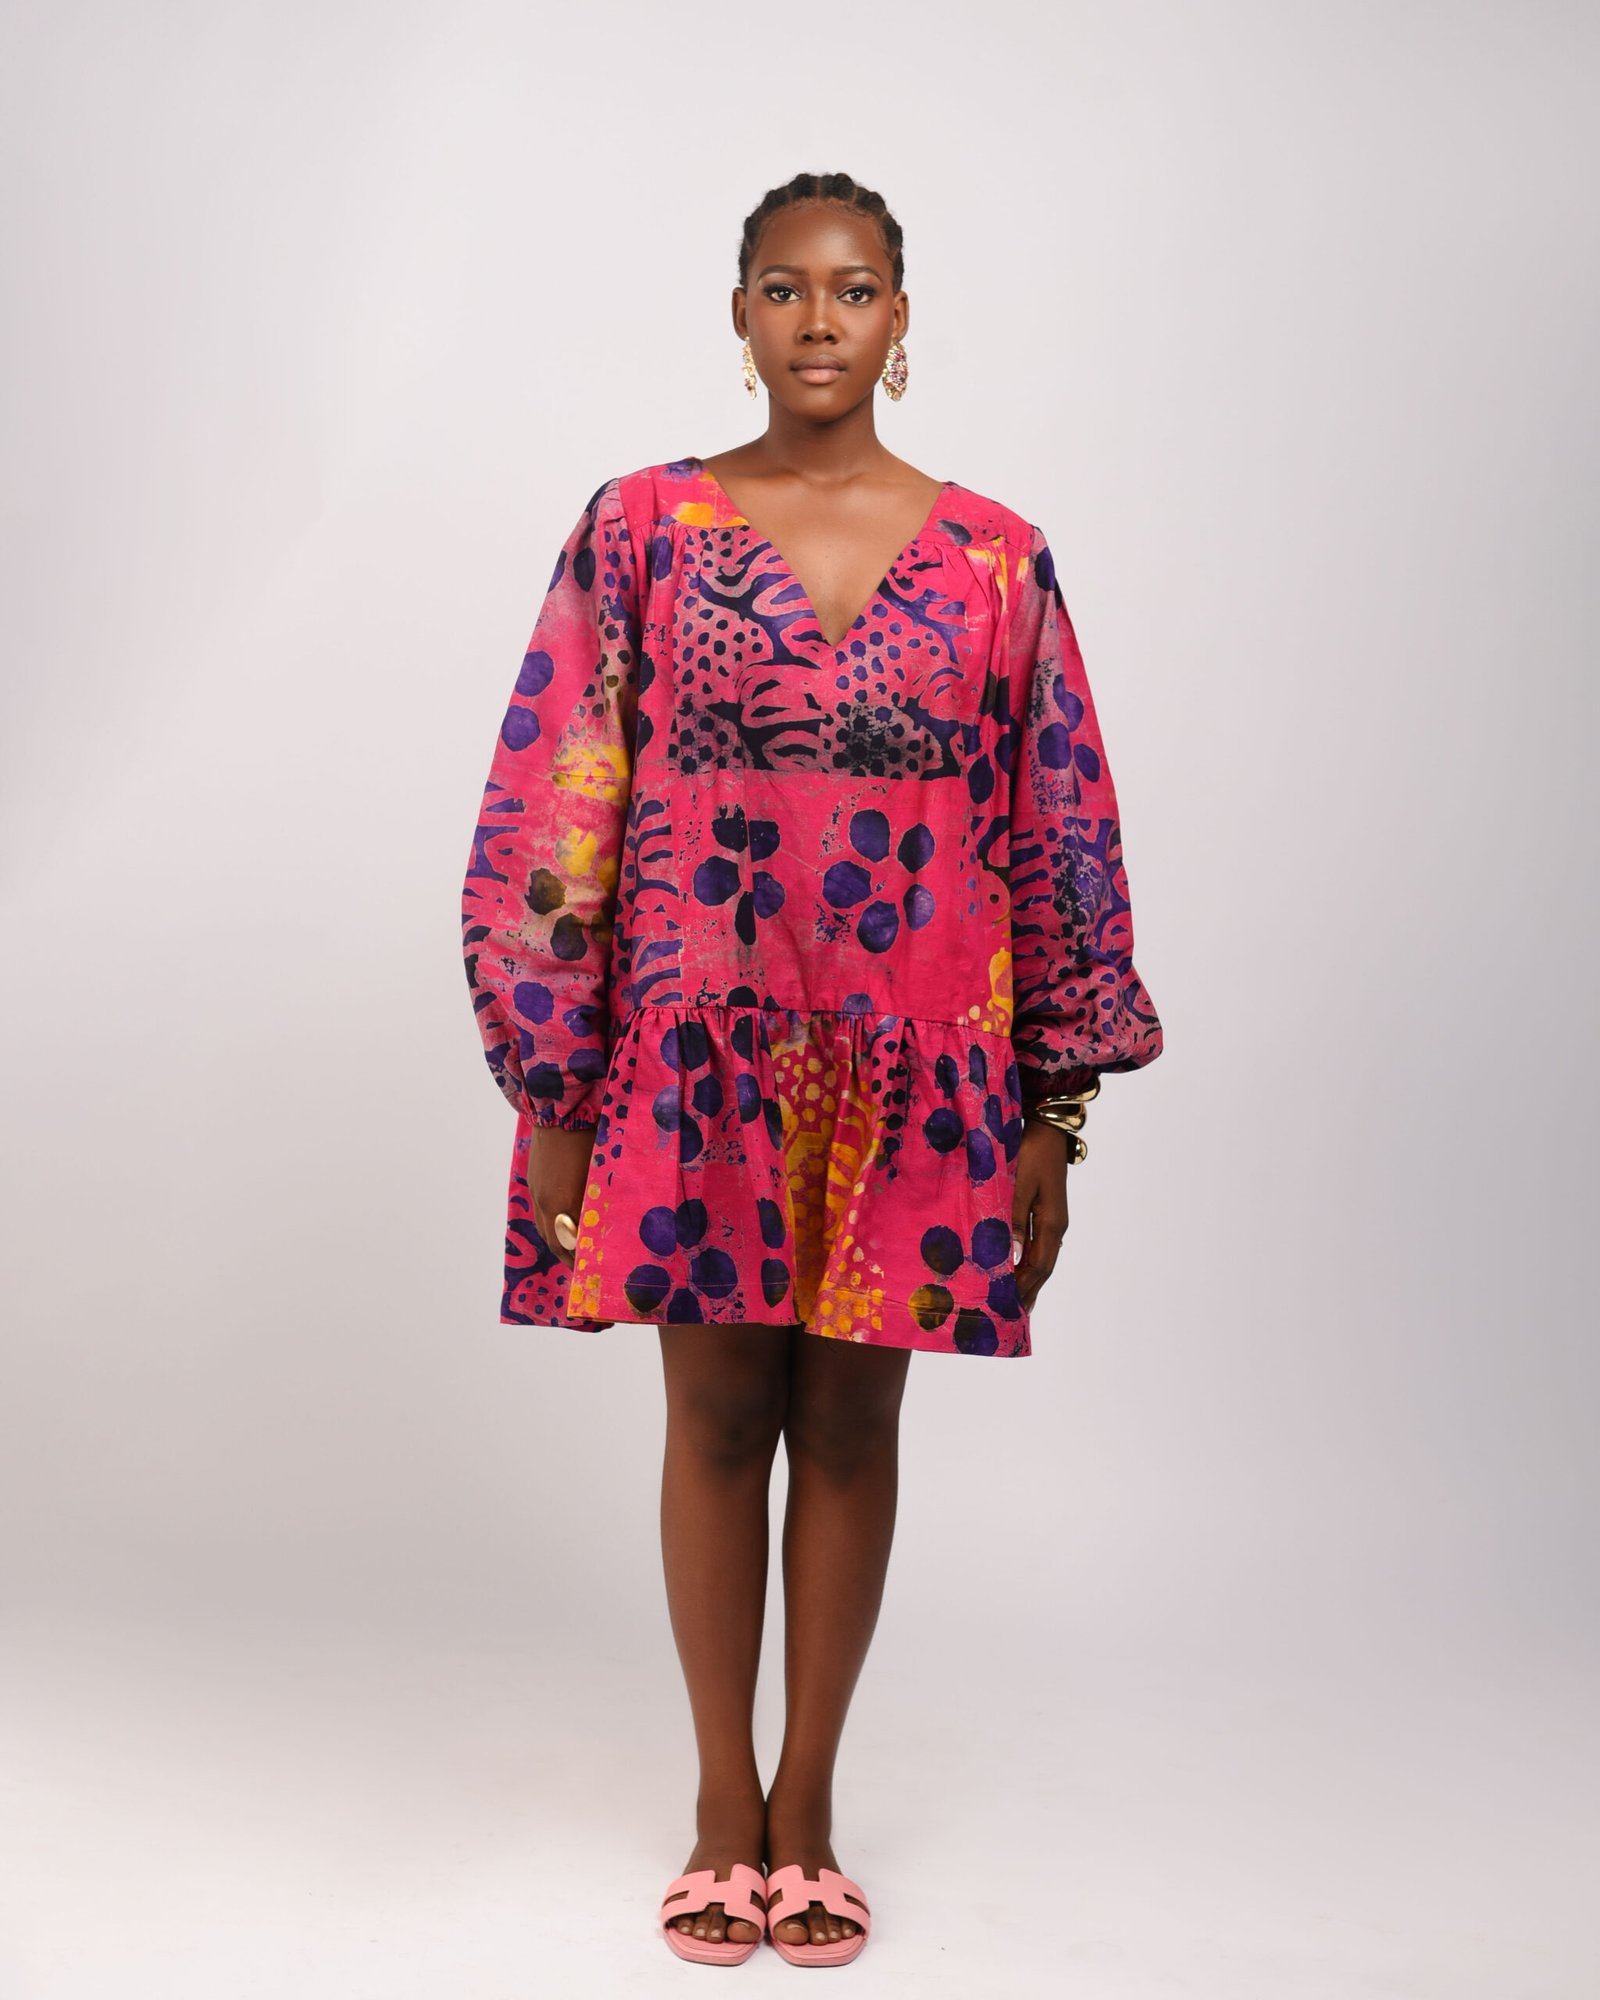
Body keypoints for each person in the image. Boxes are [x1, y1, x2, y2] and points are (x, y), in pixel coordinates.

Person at [459, 169, 1164, 1967]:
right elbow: (562, 795)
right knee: (715, 1417)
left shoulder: (997, 558)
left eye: (855, 289)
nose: (821, 319)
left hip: (920, 1061)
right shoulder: (642, 528)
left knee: (853, 1422)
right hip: (695, 1050)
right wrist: (554, 1088)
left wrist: (1053, 1107)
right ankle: (721, 1806)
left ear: (901, 320)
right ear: (740, 314)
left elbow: (1057, 826)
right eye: (785, 288)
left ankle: (811, 1810)